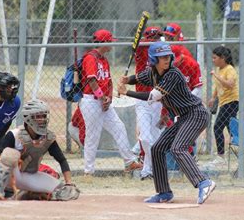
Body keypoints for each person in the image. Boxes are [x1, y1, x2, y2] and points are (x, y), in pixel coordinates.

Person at [118, 41, 216, 204]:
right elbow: (139, 78)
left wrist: (126, 92)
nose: (166, 60)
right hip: (183, 117)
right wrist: (127, 79)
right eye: (161, 57)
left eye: (168, 56)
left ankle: (203, 182)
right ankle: (164, 192)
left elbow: (152, 97)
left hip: (196, 114)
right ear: (153, 60)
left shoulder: (173, 74)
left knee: (178, 148)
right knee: (157, 148)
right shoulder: (153, 72)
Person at [79, 29, 142, 175]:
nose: (111, 45)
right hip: (91, 101)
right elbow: (92, 80)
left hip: (103, 101)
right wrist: (102, 97)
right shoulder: (90, 58)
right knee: (93, 135)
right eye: (109, 42)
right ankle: (88, 171)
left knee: (119, 127)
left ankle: (129, 162)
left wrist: (109, 98)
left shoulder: (104, 59)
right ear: (104, 42)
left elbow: (108, 81)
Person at [0, 99, 80, 201]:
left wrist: (68, 182)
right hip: (13, 175)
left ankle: (28, 194)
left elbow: (62, 160)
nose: (42, 119)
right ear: (28, 118)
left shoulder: (48, 137)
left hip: (30, 176)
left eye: (43, 116)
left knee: (66, 191)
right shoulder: (14, 135)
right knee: (9, 154)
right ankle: (1, 191)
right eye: (38, 116)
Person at [133, 26, 163, 180]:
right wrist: (146, 42)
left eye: (158, 37)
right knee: (145, 137)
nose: (156, 40)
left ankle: (147, 170)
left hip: (158, 100)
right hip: (142, 99)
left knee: (156, 135)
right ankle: (149, 166)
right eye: (154, 37)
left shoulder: (163, 53)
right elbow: (138, 44)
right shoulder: (141, 50)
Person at [208, 46, 238, 164]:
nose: (213, 60)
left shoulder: (229, 69)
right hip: (224, 102)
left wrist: (216, 76)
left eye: (215, 58)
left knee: (218, 127)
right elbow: (218, 86)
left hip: (232, 102)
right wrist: (213, 97)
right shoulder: (220, 70)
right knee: (232, 128)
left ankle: (221, 156)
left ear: (223, 58)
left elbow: (230, 84)